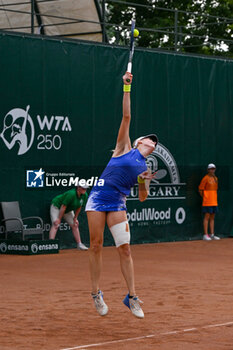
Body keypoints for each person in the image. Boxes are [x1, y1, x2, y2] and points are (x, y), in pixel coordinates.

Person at [85, 71, 158, 318]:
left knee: (124, 249)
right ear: (138, 142)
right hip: (97, 198)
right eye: (149, 139)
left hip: (117, 203)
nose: (153, 142)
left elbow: (142, 198)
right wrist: (127, 87)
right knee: (95, 246)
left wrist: (143, 183)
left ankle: (132, 297)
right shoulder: (123, 148)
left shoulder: (143, 168)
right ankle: (96, 294)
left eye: (155, 143)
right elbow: (126, 116)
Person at [49, 184, 89, 250]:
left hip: (68, 209)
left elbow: (79, 207)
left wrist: (75, 218)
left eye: (86, 188)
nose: (85, 190)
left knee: (75, 224)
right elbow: (63, 207)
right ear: (78, 188)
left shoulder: (85, 195)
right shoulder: (71, 194)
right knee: (56, 224)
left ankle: (79, 244)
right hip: (57, 206)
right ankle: (50, 245)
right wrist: (59, 219)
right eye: (83, 188)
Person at [198, 163, 220, 241]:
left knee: (212, 218)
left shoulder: (216, 178)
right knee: (207, 217)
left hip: (214, 201)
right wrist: (205, 197)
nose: (212, 170)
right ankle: (205, 235)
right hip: (207, 202)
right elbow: (200, 189)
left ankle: (212, 234)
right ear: (208, 170)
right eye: (211, 169)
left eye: (213, 169)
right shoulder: (205, 178)